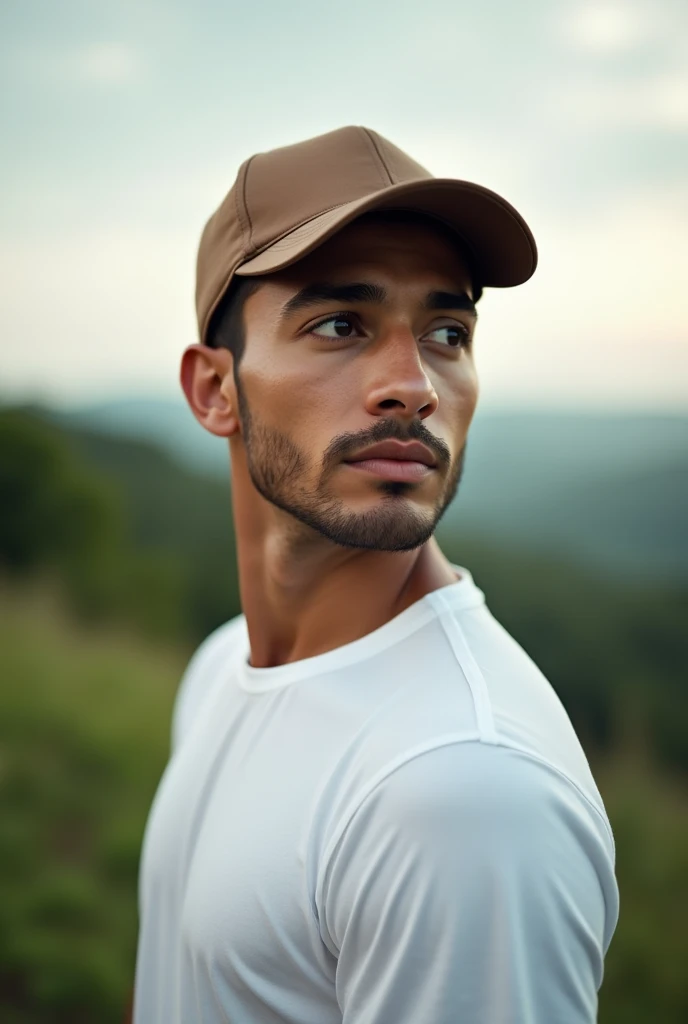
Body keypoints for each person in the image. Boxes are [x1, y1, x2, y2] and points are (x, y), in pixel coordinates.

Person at [133, 126, 619, 1023]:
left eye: (446, 331)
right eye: (340, 324)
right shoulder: (220, 669)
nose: (414, 385)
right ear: (214, 390)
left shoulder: (464, 795)